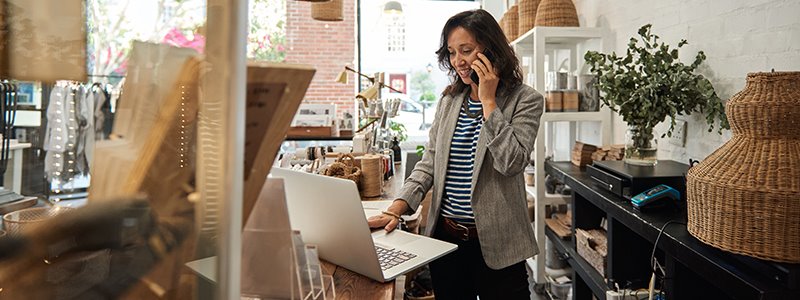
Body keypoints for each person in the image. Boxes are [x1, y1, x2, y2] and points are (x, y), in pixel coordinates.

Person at [367, 9, 544, 300]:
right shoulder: (450, 100)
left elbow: (511, 163)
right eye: (451, 52)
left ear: (491, 50)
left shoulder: (525, 100)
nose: (458, 61)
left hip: (500, 246)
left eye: (467, 50)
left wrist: (488, 100)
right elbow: (429, 164)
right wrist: (396, 208)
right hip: (446, 243)